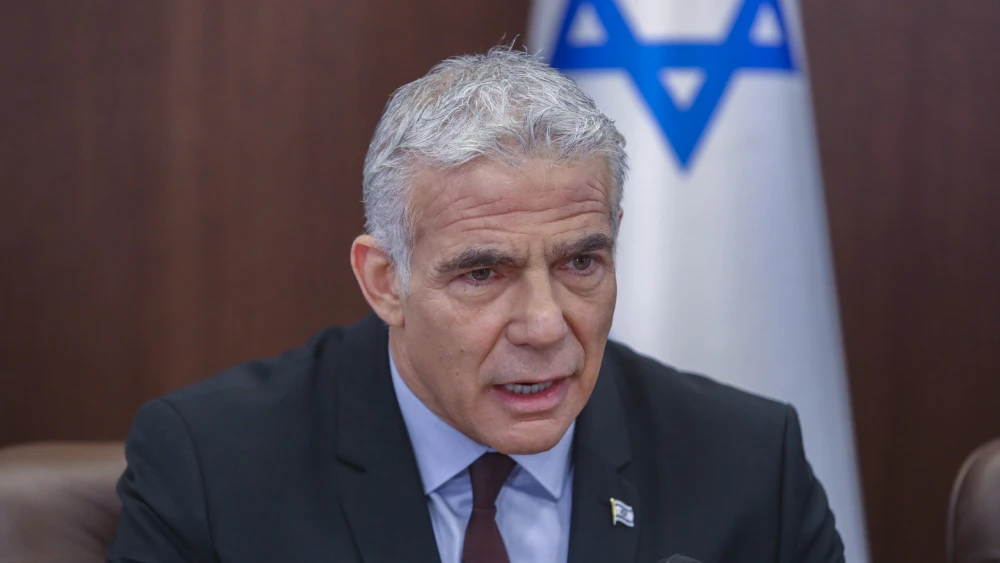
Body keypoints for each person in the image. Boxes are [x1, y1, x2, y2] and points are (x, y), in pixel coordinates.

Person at [107, 47, 845, 563]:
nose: (546, 325)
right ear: (385, 280)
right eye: (483, 273)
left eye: (580, 261)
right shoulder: (213, 465)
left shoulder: (748, 465)